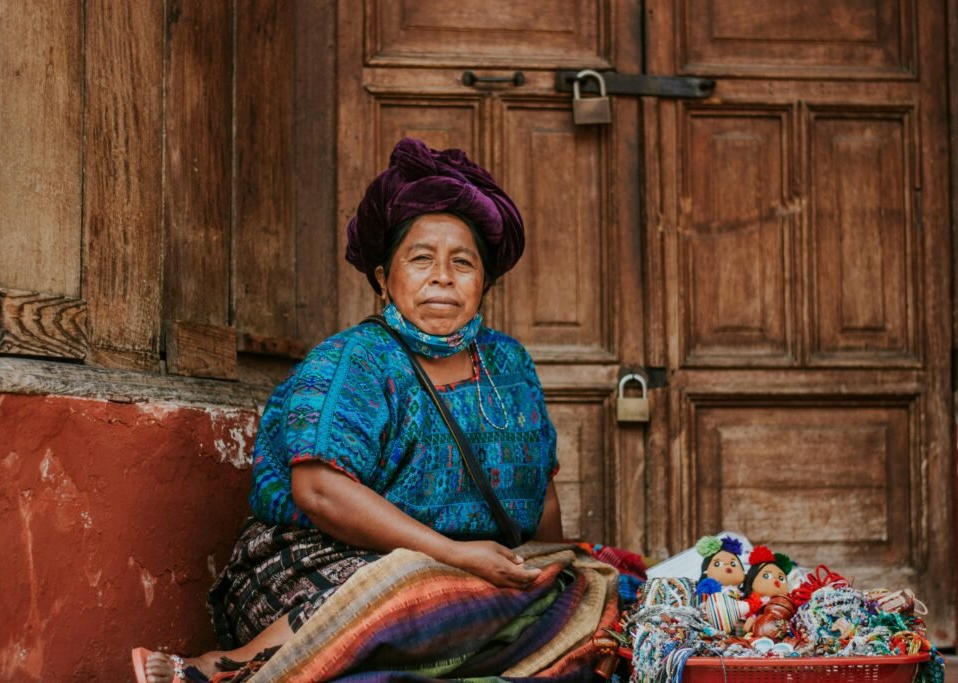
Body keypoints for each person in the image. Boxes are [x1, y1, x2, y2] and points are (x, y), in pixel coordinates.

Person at [135, 138, 613, 683]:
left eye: (463, 262)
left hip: (461, 570)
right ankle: (222, 670)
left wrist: (540, 566)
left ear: (485, 283)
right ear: (384, 278)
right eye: (420, 259)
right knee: (416, 584)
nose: (442, 276)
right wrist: (454, 557)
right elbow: (318, 491)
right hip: (318, 565)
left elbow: (537, 491)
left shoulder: (509, 364)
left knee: (576, 588)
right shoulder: (353, 360)